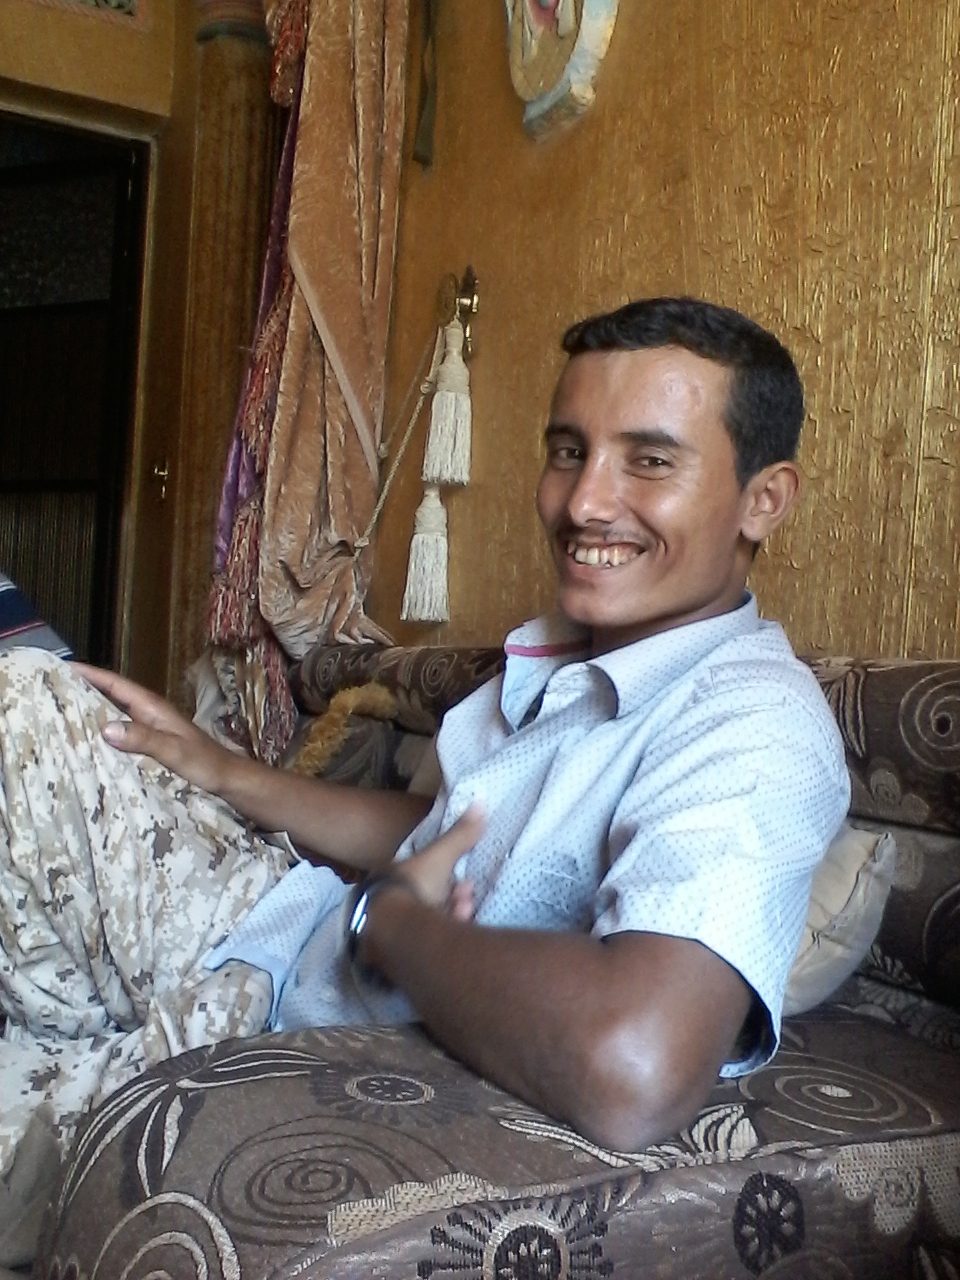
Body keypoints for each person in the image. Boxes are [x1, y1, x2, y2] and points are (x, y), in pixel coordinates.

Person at [0, 296, 849, 1267]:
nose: (583, 502)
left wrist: (392, 925)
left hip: (271, 1004)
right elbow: (441, 827)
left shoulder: (753, 722)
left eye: (649, 461)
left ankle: (72, 1042)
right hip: (274, 912)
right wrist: (223, 771)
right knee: (32, 697)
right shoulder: (565, 651)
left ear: (764, 499)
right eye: (568, 450)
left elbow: (635, 1065)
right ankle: (67, 1015)